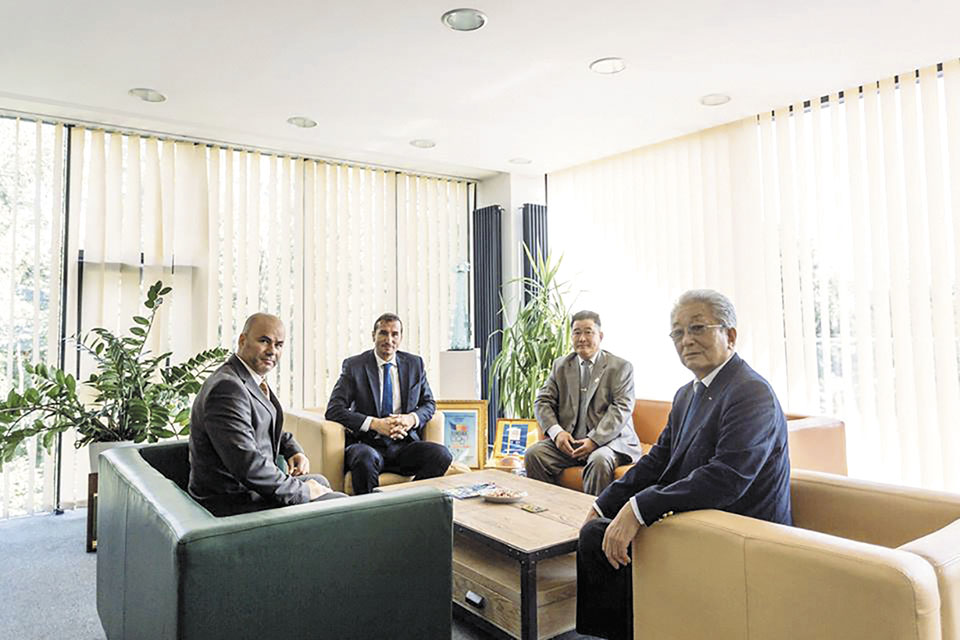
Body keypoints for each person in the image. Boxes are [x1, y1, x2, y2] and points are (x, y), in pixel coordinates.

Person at [576, 290, 792, 640]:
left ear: (730, 335)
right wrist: (606, 502)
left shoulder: (750, 392)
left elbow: (726, 479)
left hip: (740, 531)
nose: (686, 340)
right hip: (697, 520)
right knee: (596, 531)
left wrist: (639, 508)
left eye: (697, 328)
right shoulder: (686, 395)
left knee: (599, 538)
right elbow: (657, 461)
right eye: (678, 332)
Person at [188, 313, 345, 516]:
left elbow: (262, 424)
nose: (272, 351)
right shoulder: (227, 388)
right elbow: (248, 466)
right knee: (341, 504)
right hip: (233, 503)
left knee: (321, 482)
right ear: (242, 340)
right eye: (264, 341)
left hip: (248, 490)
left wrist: (293, 450)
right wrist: (303, 491)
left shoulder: (246, 377)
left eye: (279, 345)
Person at [325, 313, 452, 494]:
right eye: (383, 333)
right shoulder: (355, 366)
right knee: (365, 459)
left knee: (441, 455)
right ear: (373, 335)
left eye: (395, 334)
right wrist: (375, 424)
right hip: (367, 444)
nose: (389, 339)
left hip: (404, 445)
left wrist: (411, 419)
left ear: (401, 337)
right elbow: (334, 409)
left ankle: (411, 502)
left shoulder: (414, 364)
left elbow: (429, 403)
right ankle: (371, 510)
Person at [525, 310, 643, 496]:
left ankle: (594, 514)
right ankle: (548, 509)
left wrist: (594, 440)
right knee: (534, 454)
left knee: (599, 460)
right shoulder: (561, 365)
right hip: (571, 442)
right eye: (577, 332)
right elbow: (543, 401)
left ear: (600, 336)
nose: (582, 338)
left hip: (609, 442)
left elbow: (621, 409)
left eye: (588, 332)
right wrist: (557, 433)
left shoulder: (620, 367)